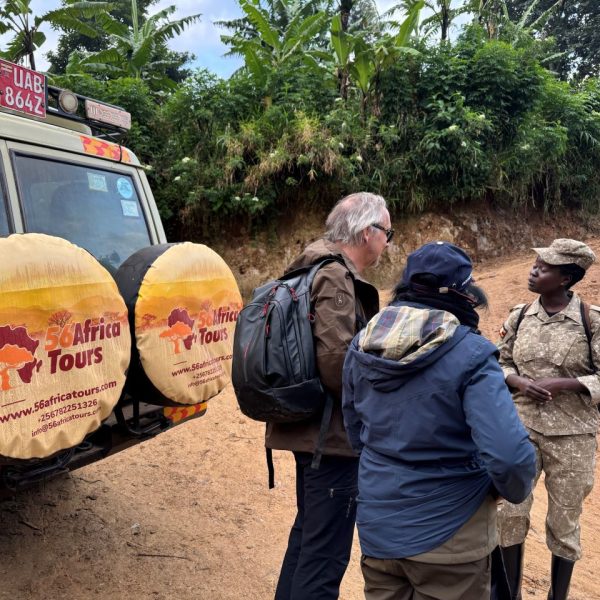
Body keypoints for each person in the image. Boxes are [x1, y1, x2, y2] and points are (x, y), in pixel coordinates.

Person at [342, 241, 536, 600]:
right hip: (452, 536)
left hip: (379, 530)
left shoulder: (362, 344)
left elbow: (356, 433)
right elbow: (510, 457)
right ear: (465, 293)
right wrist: (504, 489)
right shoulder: (472, 353)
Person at [269, 192, 391, 600]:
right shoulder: (336, 275)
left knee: (308, 538)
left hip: (309, 427)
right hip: (332, 439)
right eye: (387, 233)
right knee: (324, 556)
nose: (388, 243)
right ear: (367, 232)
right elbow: (338, 363)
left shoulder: (307, 265)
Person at [497, 238, 599, 600]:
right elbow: (501, 361)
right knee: (508, 513)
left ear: (567, 277)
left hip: (573, 438)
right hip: (520, 428)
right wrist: (517, 380)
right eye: (535, 263)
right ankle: (509, 595)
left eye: (545, 266)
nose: (534, 269)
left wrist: (567, 383)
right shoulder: (520, 315)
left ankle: (558, 596)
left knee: (564, 521)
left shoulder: (591, 321)